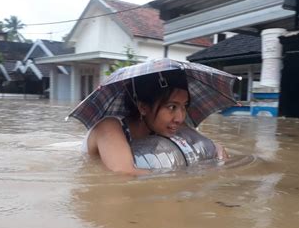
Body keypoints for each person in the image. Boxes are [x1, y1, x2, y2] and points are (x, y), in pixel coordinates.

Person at [83, 70, 227, 175]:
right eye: (172, 107)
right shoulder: (108, 128)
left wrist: (219, 156)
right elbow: (124, 174)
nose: (180, 118)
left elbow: (210, 146)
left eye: (184, 106)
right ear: (143, 107)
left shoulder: (169, 125)